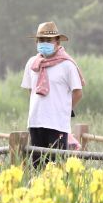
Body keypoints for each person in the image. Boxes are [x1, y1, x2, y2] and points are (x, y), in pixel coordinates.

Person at [21, 21, 85, 168]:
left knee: (56, 167)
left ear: (57, 41)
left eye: (48, 40)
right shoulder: (32, 63)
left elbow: (78, 93)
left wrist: (64, 109)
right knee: (37, 167)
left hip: (57, 124)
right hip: (35, 122)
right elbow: (30, 90)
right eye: (41, 40)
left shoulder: (67, 65)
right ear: (37, 42)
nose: (44, 43)